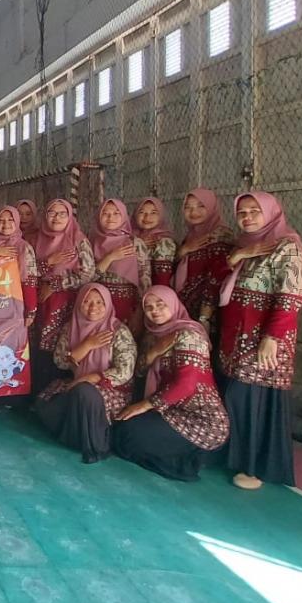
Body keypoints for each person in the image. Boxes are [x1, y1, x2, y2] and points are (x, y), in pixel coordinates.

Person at [219, 191, 302, 490]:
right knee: (238, 397)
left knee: (251, 399)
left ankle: (254, 468)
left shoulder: (288, 248)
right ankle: (238, 459)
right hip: (238, 335)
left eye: (254, 211)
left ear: (271, 212)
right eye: (242, 212)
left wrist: (273, 337)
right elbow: (221, 281)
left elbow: (290, 297)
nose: (247, 217)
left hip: (264, 338)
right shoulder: (245, 245)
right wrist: (239, 256)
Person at [112, 286, 229, 481]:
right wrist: (153, 352)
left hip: (201, 419)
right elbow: (139, 371)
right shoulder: (152, 336)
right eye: (148, 307)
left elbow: (186, 385)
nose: (155, 311)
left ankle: (185, 463)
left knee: (128, 436)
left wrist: (145, 405)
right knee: (121, 429)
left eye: (161, 304)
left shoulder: (189, 335)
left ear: (173, 304)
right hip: (170, 411)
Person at [35, 283, 136, 463]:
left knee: (84, 393)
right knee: (43, 403)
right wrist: (87, 345)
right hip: (77, 381)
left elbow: (125, 370)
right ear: (79, 303)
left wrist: (90, 378)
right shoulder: (71, 328)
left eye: (99, 302)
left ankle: (97, 444)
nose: (93, 307)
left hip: (110, 388)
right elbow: (60, 361)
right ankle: (74, 437)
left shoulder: (118, 331)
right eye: (87, 302)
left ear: (107, 304)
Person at [33, 198, 95, 357]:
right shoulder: (37, 238)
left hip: (68, 301)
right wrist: (48, 262)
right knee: (39, 348)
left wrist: (55, 285)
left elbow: (88, 274)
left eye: (62, 213)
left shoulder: (79, 240)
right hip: (40, 299)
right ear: (45, 215)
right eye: (52, 213)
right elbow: (27, 270)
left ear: (70, 217)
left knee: (62, 346)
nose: (57, 218)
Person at [173, 188, 235, 337]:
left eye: (201, 206)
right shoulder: (191, 236)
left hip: (208, 310)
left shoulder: (220, 235)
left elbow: (218, 276)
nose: (193, 212)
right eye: (188, 207)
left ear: (211, 207)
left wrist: (205, 316)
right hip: (187, 305)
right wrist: (184, 250)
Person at [91, 199, 151, 325]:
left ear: (124, 215)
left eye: (116, 213)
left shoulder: (135, 243)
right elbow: (88, 278)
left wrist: (140, 312)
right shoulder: (91, 242)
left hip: (128, 304)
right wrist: (110, 257)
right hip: (97, 306)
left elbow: (144, 279)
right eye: (105, 213)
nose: (110, 217)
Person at [0, 206, 38, 326]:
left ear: (17, 221)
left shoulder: (24, 247)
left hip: (16, 302)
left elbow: (29, 280)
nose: (6, 224)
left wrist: (30, 311)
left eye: (10, 220)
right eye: (1, 220)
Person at [133, 198, 177, 287]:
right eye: (142, 212)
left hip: (158, 292)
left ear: (161, 216)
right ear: (135, 215)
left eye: (153, 213)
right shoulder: (129, 238)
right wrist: (139, 243)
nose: (147, 217)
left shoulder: (166, 241)